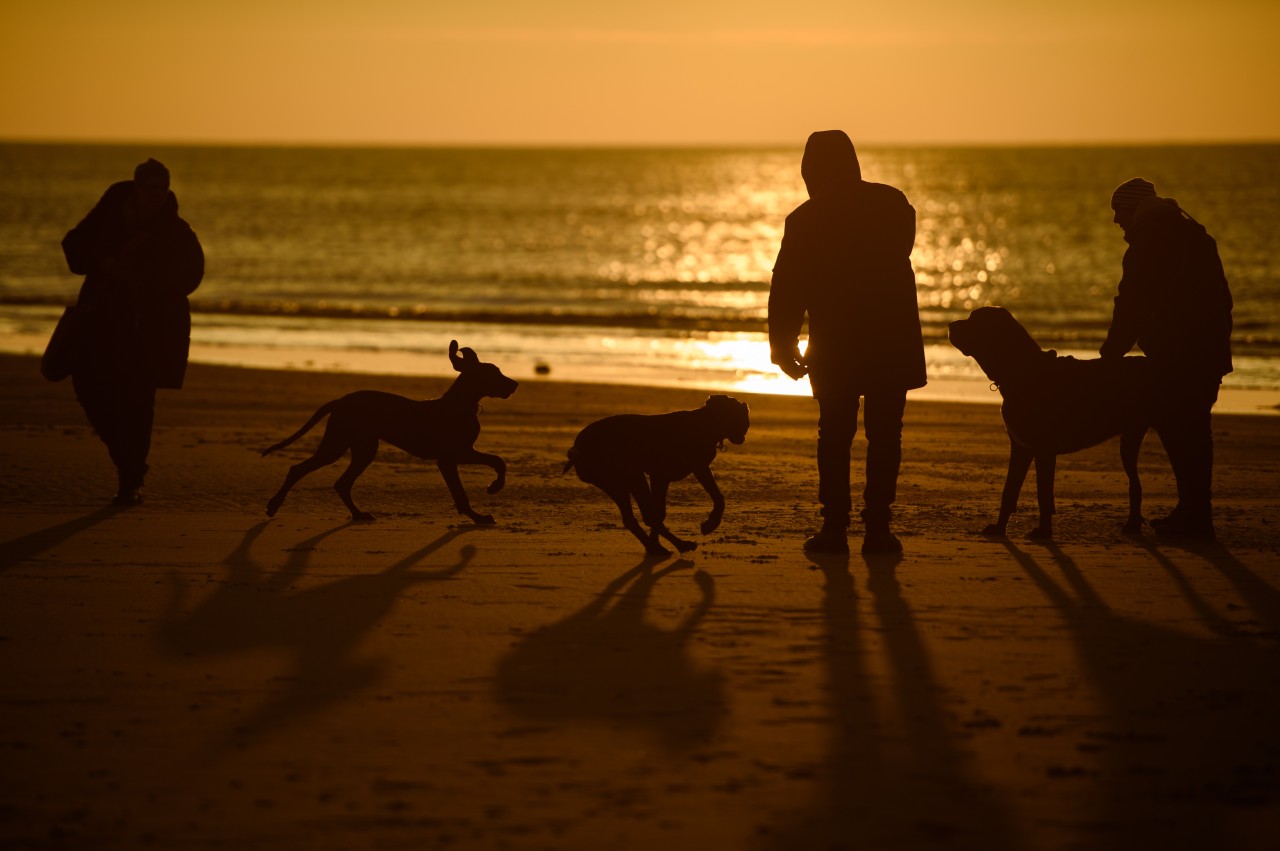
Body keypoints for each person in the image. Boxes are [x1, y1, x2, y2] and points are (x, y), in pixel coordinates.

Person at [769, 130, 926, 554]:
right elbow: (901, 253)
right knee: (886, 435)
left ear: (811, 169)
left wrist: (783, 344)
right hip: (891, 339)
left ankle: (835, 529)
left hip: (836, 342)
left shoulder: (805, 218)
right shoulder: (894, 204)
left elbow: (787, 288)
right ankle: (878, 528)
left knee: (834, 435)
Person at [61, 159, 204, 505]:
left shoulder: (175, 230)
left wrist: (148, 281)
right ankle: (126, 461)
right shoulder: (106, 216)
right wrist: (104, 262)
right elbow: (74, 249)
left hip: (147, 328)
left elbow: (192, 276)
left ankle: (131, 479)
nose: (156, 194)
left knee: (138, 404)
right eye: (150, 187)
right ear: (137, 187)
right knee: (87, 386)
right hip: (99, 319)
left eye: (162, 188)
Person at [1100, 177, 1232, 540]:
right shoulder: (1195, 236)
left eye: (1118, 211)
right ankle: (1194, 513)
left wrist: (1110, 354)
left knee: (1180, 432)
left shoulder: (1148, 244)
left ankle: (1194, 518)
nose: (1116, 221)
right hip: (1208, 355)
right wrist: (1220, 348)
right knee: (1193, 434)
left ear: (1133, 209)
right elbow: (1224, 300)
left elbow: (1131, 305)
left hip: (1178, 358)